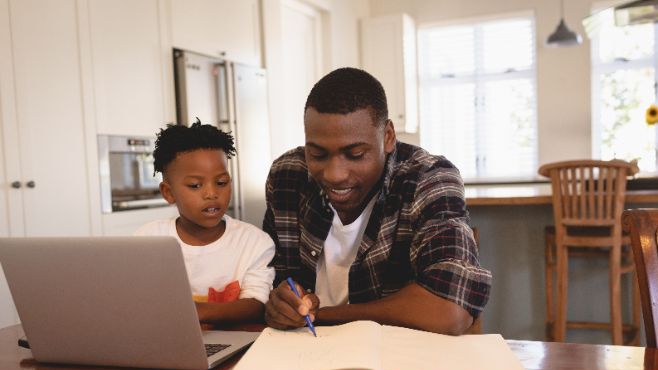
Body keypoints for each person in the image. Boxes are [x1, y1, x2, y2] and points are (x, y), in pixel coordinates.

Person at [263, 67, 491, 336]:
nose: (335, 174)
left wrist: (322, 315)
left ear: (388, 137)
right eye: (318, 154)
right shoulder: (287, 176)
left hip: (401, 359)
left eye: (356, 154)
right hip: (305, 355)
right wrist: (279, 304)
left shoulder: (428, 177)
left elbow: (449, 310)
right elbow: (270, 284)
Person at [135, 119, 275, 326]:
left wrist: (194, 311)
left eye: (221, 183)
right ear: (169, 192)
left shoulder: (254, 242)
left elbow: (255, 305)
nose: (211, 194)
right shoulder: (148, 240)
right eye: (195, 185)